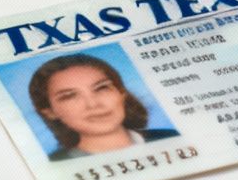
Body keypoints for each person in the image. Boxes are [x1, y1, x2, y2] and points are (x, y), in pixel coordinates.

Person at [26, 53, 178, 160]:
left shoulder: (171, 138)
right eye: (69, 96)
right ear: (50, 112)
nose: (93, 104)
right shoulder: (55, 166)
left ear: (121, 93)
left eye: (101, 88)